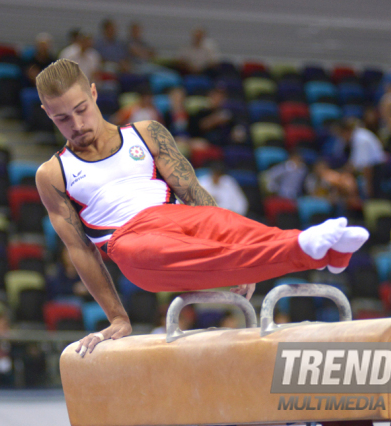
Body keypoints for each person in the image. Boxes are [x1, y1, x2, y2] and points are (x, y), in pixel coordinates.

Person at [34, 59, 369, 356]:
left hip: (177, 217)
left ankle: (322, 250)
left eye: (81, 110)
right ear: (47, 114)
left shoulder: (147, 134)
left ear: (93, 93)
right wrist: (117, 318)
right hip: (132, 243)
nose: (77, 125)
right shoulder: (53, 174)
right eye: (62, 118)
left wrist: (239, 250)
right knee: (150, 251)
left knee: (226, 223)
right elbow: (81, 251)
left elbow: (195, 196)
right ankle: (301, 248)